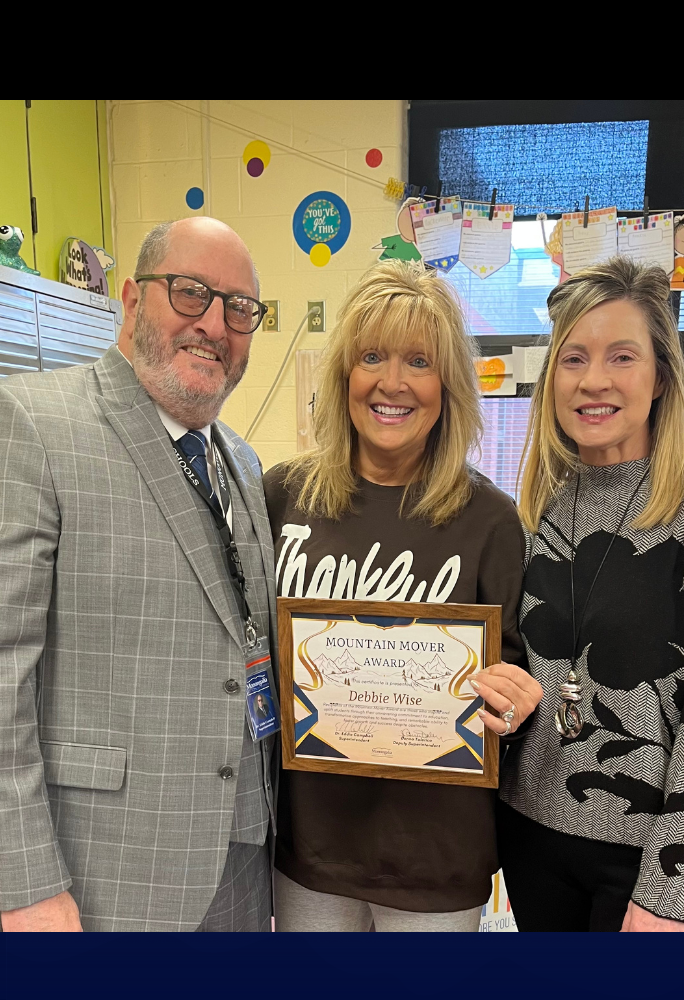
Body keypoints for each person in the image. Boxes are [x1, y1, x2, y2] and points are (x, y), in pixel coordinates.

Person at [0, 217, 281, 932]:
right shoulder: (28, 424)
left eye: (238, 309)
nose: (214, 324)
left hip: (240, 868)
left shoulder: (242, 460)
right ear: (133, 301)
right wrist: (23, 885)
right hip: (94, 880)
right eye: (191, 293)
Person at [263, 259, 543, 932]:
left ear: (447, 384)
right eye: (371, 356)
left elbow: (522, 682)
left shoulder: (491, 521)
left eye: (419, 361)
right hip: (309, 849)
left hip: (434, 860)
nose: (392, 383)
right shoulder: (281, 497)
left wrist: (516, 701)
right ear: (344, 376)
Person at [493, 255, 684, 932]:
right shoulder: (537, 508)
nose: (594, 381)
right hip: (530, 840)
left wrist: (668, 894)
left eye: (622, 357)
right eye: (574, 358)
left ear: (661, 377)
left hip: (645, 862)